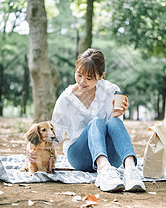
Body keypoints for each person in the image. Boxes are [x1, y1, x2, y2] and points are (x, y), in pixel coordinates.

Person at [51, 48, 146, 193]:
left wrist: (116, 114)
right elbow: (54, 134)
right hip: (79, 155)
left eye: (89, 78)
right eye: (79, 75)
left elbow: (114, 131)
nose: (82, 82)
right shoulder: (66, 98)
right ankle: (103, 171)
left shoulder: (111, 90)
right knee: (96, 122)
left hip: (110, 157)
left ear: (101, 76)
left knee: (114, 122)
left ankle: (131, 170)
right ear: (75, 69)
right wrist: (31, 148)